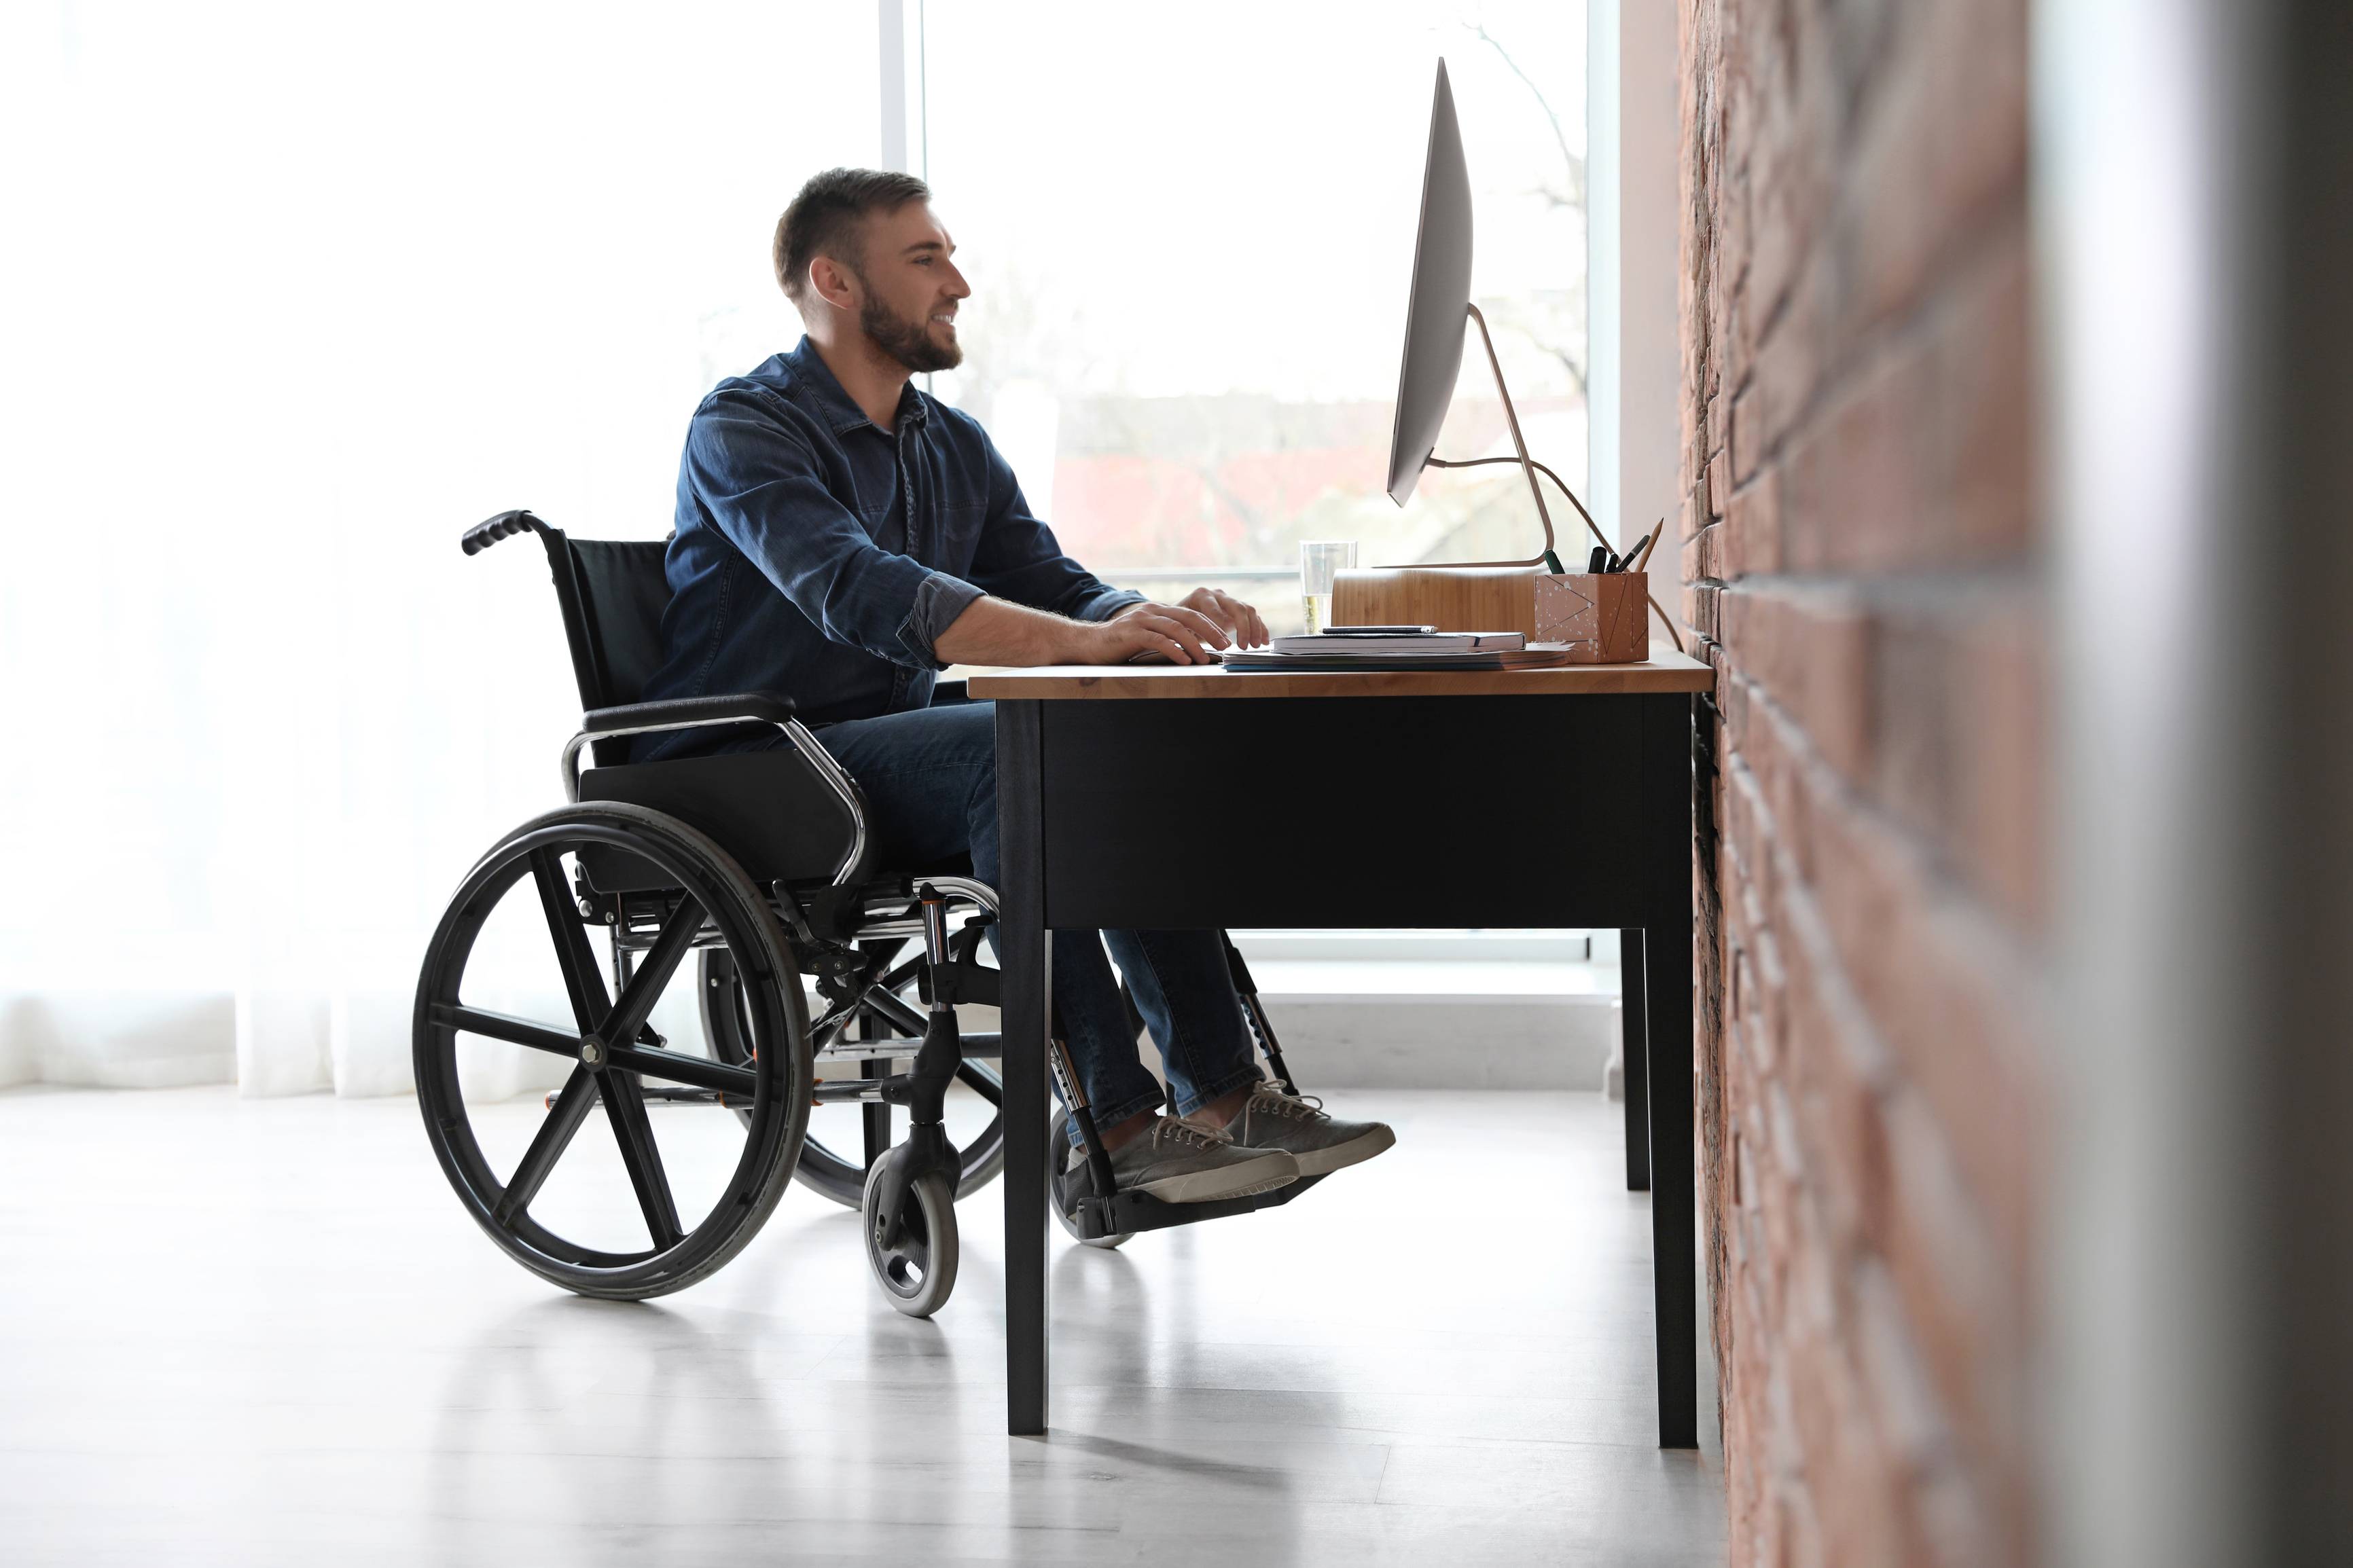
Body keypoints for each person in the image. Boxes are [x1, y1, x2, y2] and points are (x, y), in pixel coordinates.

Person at [636, 168, 1393, 1207]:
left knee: (1101, 738)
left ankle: (1224, 1096)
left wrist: (1158, 620)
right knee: (1013, 749)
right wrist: (1093, 640)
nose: (960, 282)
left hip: (877, 750)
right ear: (835, 281)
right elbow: (863, 592)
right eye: (926, 257)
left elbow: (1060, 590)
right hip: (751, 764)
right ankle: (1113, 1130)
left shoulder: (950, 444)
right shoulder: (744, 428)